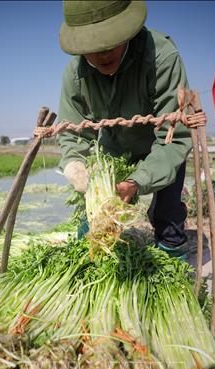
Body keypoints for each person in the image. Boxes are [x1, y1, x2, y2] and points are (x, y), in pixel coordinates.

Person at [57, 0, 192, 259]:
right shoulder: (75, 75)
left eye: (111, 43)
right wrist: (75, 164)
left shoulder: (161, 57)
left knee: (167, 218)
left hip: (161, 148)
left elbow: (173, 138)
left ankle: (174, 268)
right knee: (94, 222)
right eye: (93, 47)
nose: (103, 54)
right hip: (113, 152)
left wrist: (136, 182)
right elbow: (73, 133)